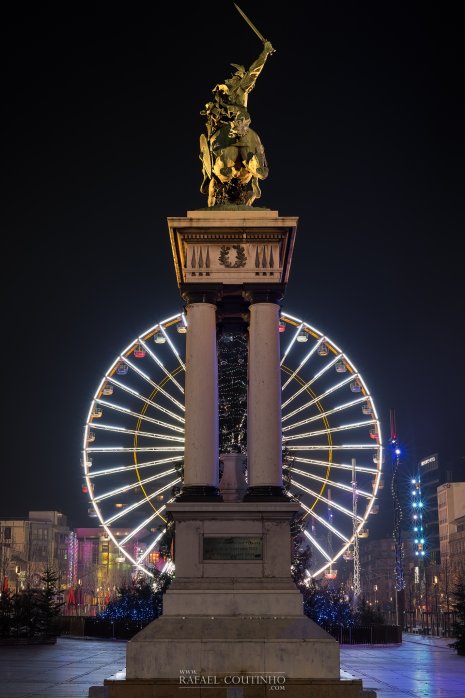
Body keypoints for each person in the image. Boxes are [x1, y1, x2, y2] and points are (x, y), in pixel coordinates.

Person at [200, 41, 275, 206]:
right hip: (223, 127)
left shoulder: (241, 90)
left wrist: (265, 53)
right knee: (207, 147)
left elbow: (254, 71)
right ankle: (209, 173)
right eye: (232, 78)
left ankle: (258, 163)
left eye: (234, 77)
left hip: (240, 123)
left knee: (242, 116)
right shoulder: (223, 97)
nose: (231, 79)